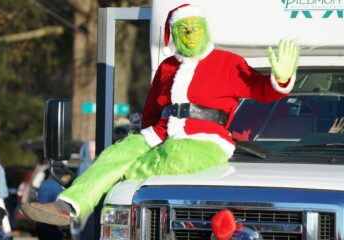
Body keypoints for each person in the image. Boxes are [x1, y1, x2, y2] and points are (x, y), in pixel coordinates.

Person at [21, 4, 300, 226]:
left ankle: (117, 183)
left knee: (165, 160)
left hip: (205, 140)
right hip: (160, 132)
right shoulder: (167, 67)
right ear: (174, 34)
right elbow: (152, 109)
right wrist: (138, 135)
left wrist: (281, 78)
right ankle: (66, 207)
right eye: (183, 29)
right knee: (113, 155)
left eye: (194, 28)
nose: (190, 34)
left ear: (205, 30)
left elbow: (264, 91)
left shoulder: (228, 62)